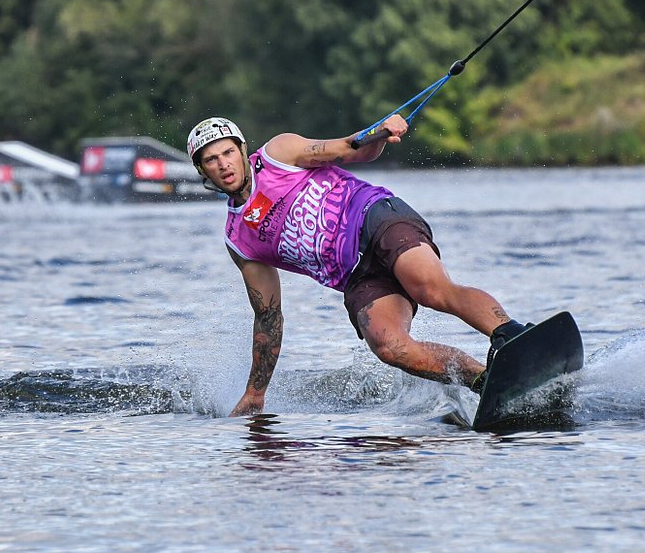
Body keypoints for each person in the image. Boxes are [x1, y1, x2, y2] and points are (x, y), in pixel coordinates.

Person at [187, 114, 533, 416]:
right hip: (356, 274)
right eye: (211, 160)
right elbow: (268, 316)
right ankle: (485, 381)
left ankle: (512, 336)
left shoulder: (279, 154)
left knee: (427, 287)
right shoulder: (239, 239)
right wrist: (255, 393)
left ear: (242, 150)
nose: (223, 164)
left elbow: (349, 148)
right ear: (202, 170)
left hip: (374, 218)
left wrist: (380, 132)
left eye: (228, 152)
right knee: (389, 346)